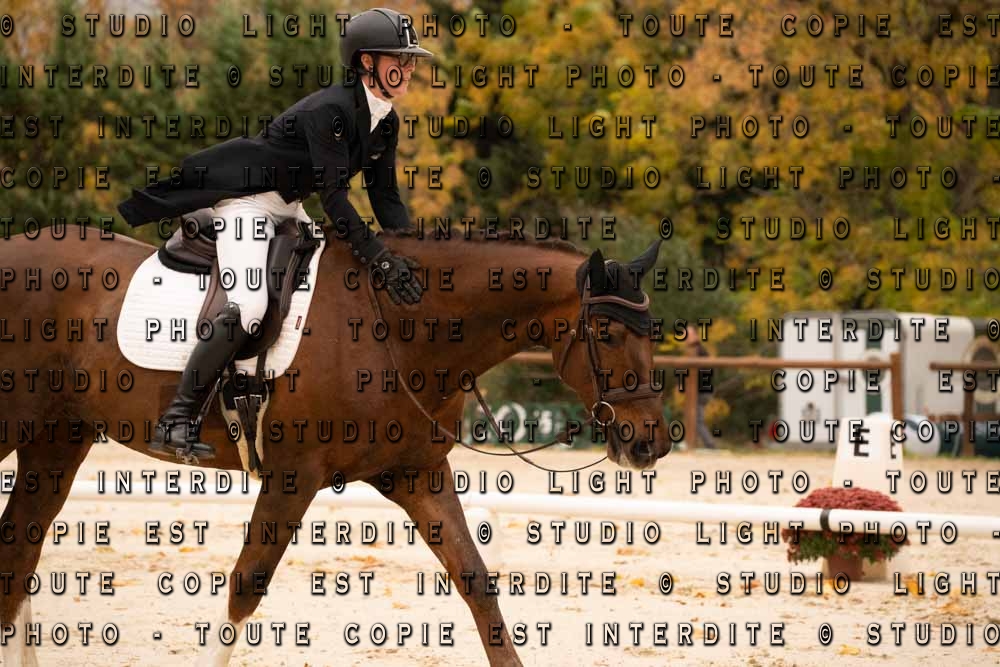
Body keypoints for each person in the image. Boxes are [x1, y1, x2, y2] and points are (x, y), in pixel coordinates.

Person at [117, 8, 432, 459]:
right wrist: (380, 257)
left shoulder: (386, 120)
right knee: (249, 304)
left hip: (288, 206)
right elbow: (335, 200)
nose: (410, 68)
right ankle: (177, 419)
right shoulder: (331, 110)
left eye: (411, 59)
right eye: (399, 59)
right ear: (367, 61)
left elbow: (385, 197)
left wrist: (413, 254)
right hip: (249, 200)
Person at [686, 324, 718, 449]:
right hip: (701, 390)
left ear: (694, 335)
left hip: (701, 391)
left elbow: (702, 373)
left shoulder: (698, 351)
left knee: (696, 420)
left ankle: (710, 445)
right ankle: (694, 443)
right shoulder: (697, 350)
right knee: (694, 418)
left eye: (688, 334)